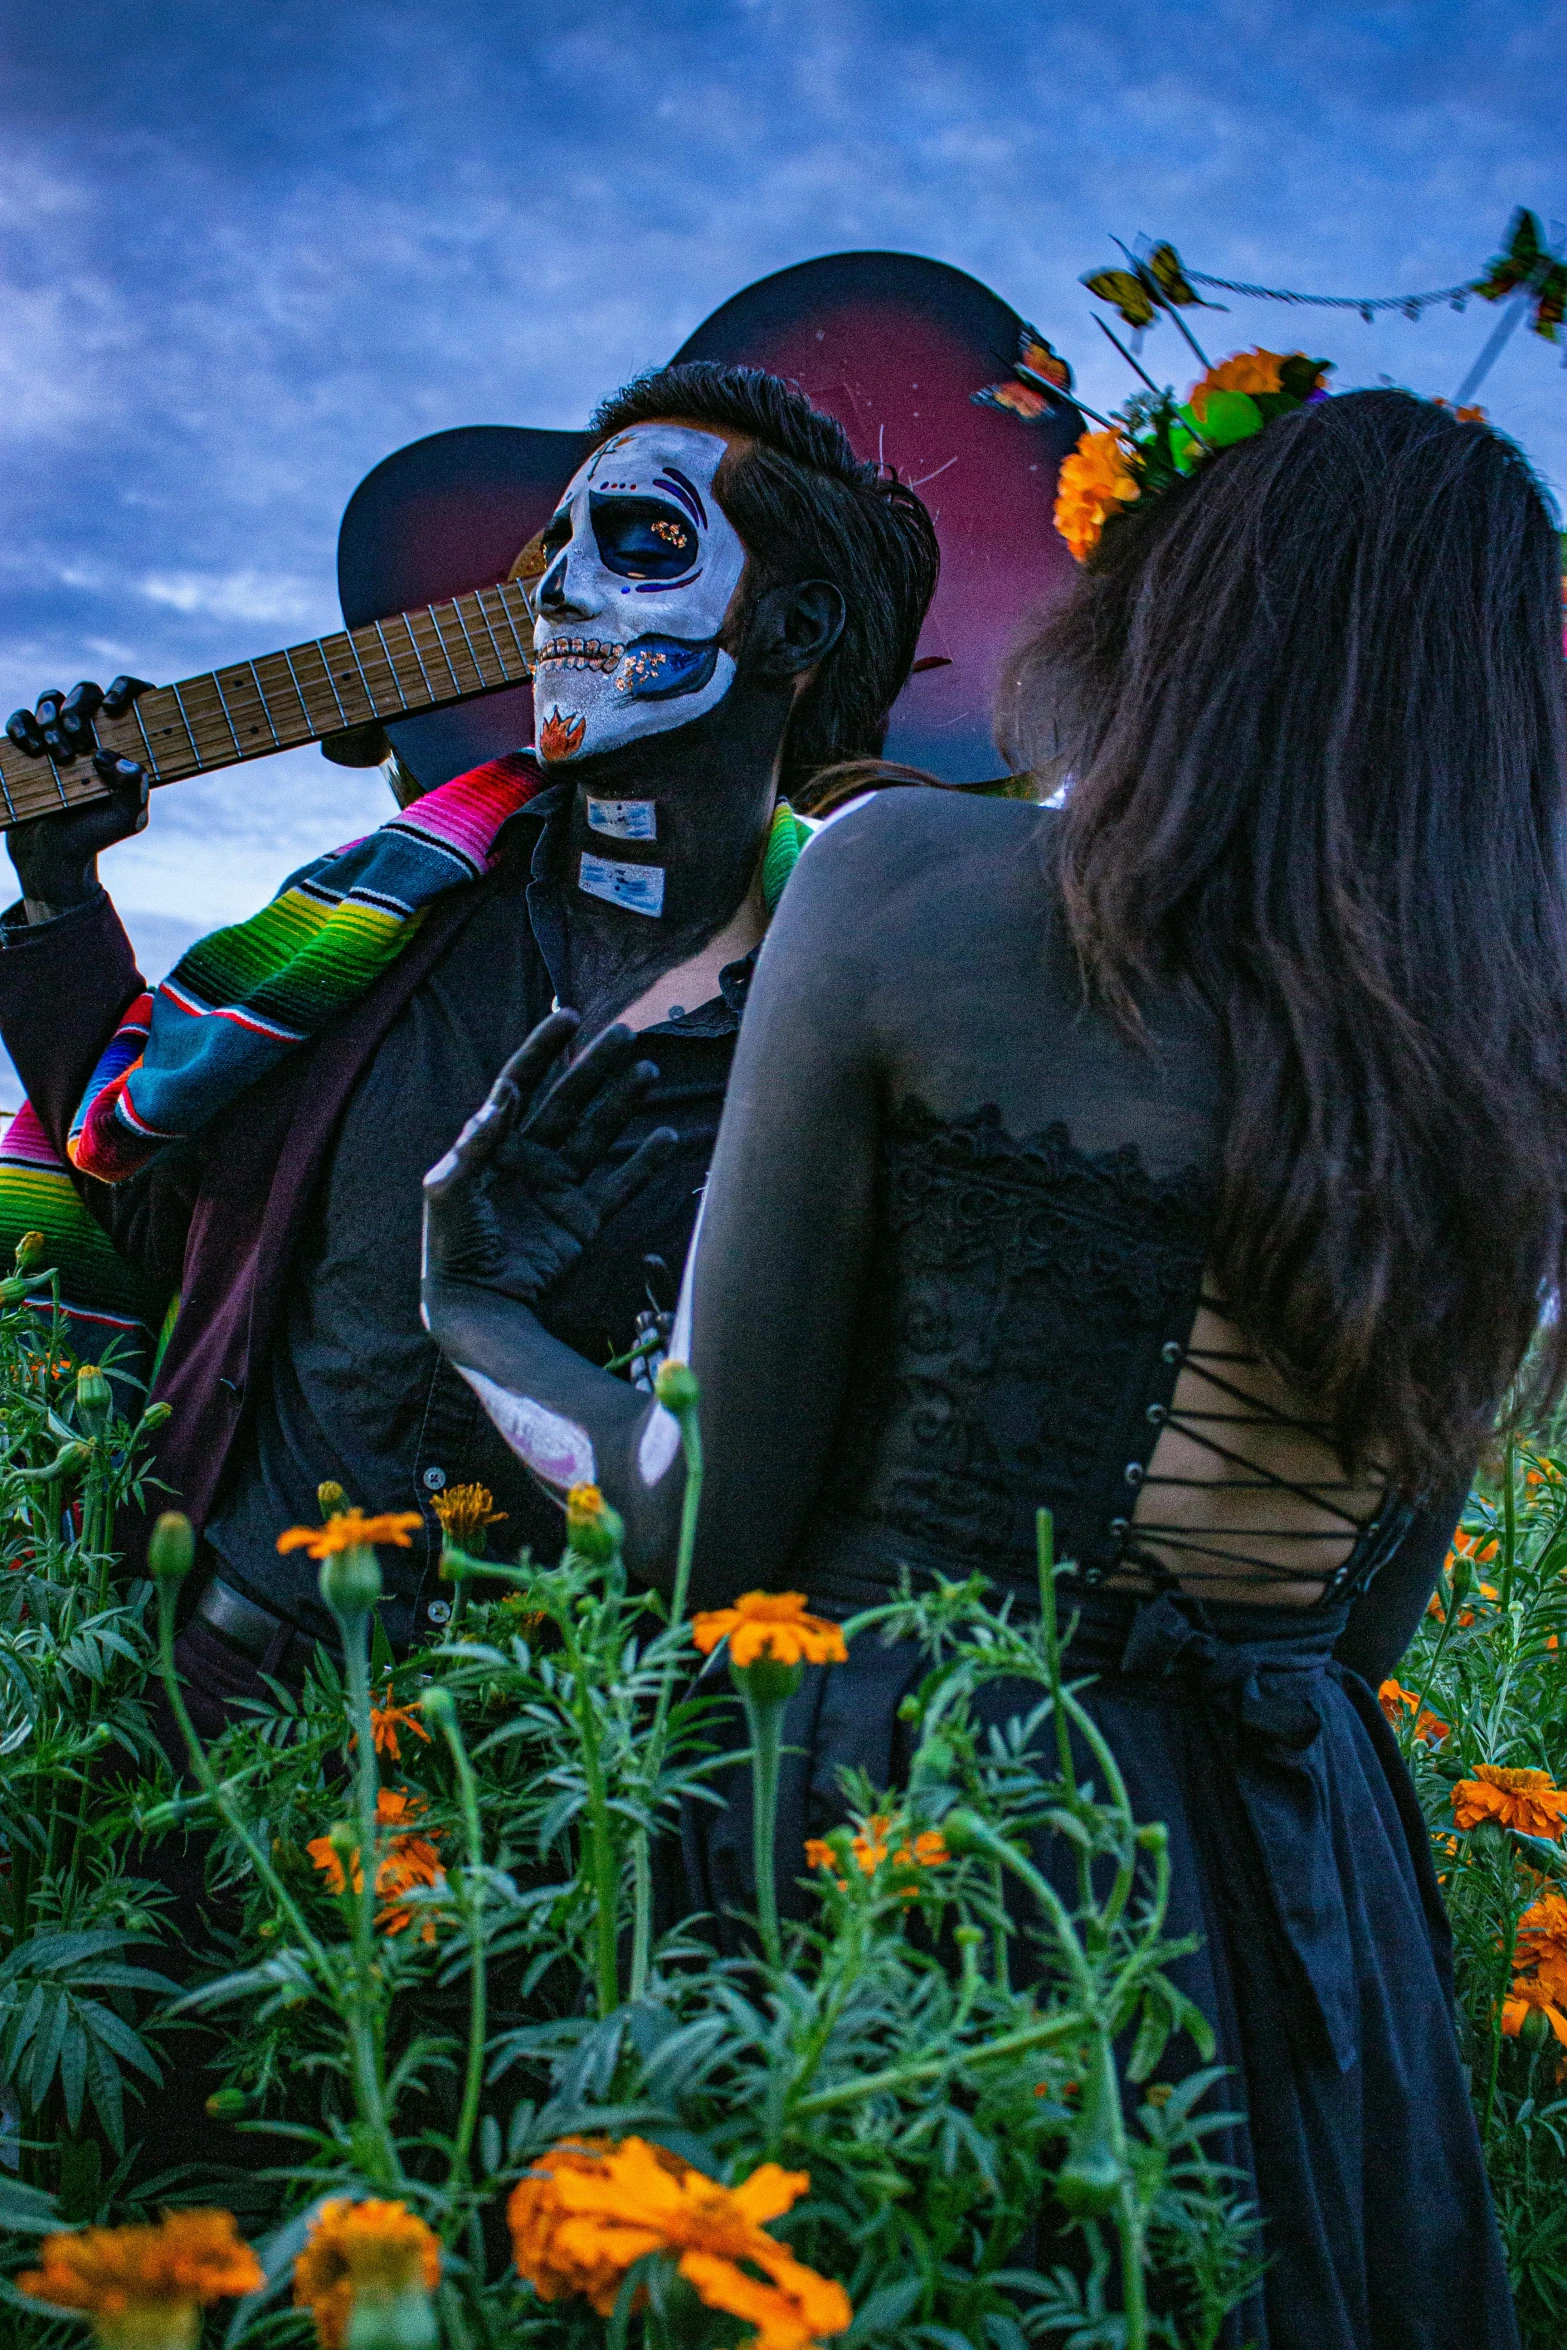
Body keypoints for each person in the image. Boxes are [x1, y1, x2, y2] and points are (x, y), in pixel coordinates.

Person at [421, 386, 1567, 2346]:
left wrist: (484, 1315)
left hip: (919, 1844)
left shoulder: (908, 890)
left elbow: (708, 1546)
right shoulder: (1508, 1073)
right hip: (1305, 1888)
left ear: (1190, 621)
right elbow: (1349, 1631)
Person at [0, 360, 939, 1734]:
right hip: (230, 1716)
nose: (554, 592)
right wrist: (62, 897)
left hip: (583, 1800)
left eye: (641, 544)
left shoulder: (855, 1023)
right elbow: (143, 1185)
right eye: (550, 550)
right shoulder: (386, 935)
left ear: (794, 625)